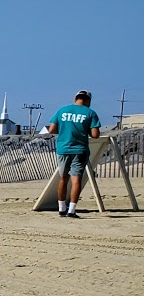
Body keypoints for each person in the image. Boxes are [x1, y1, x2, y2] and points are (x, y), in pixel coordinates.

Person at [45, 89, 103, 218]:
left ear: (75, 98)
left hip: (63, 148)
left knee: (63, 178)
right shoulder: (90, 113)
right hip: (80, 149)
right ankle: (71, 210)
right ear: (88, 100)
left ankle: (61, 208)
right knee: (76, 179)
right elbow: (95, 135)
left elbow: (52, 129)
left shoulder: (62, 110)